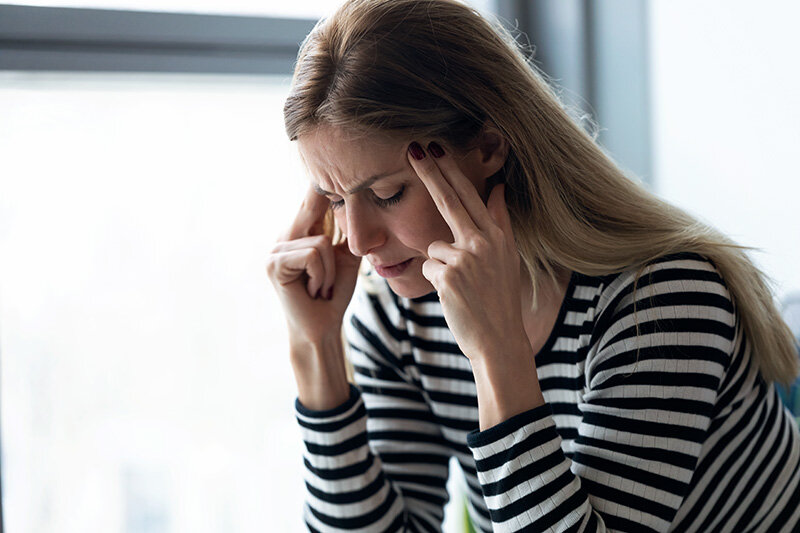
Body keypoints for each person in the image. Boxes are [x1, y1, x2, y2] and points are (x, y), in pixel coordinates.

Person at [266, 0, 800, 530]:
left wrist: (497, 349)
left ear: (489, 146)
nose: (357, 241)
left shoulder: (661, 299)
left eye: (387, 194)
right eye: (335, 200)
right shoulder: (403, 318)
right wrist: (317, 351)